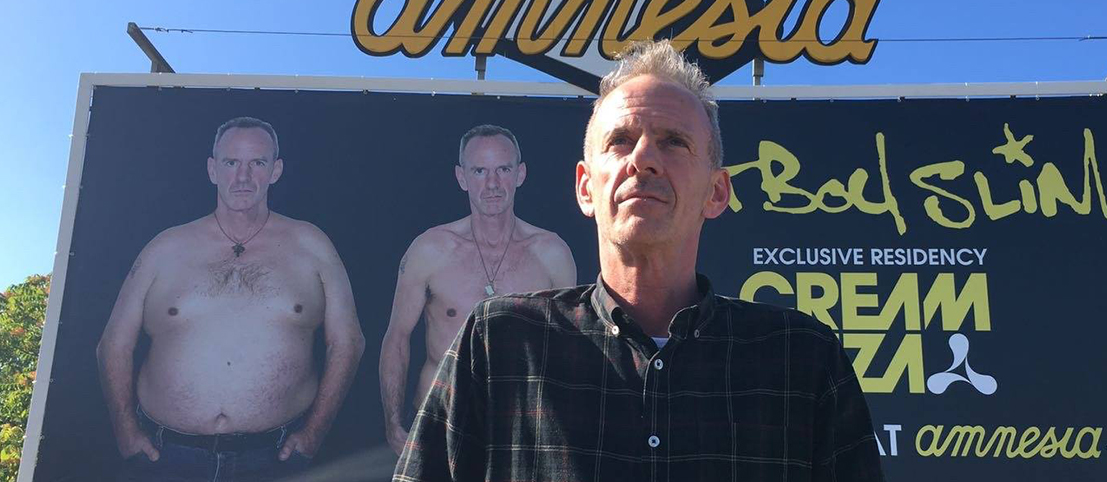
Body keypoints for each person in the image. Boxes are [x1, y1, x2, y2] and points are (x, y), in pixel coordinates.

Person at [394, 41, 884, 481]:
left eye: (674, 141)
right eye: (620, 141)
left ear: (717, 192)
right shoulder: (499, 343)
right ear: (586, 188)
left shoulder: (801, 360)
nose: (643, 158)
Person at [97, 116, 366, 481]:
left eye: (257, 163)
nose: (243, 177)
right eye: (231, 162)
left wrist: (314, 432)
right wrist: (125, 431)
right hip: (165, 457)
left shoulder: (312, 246)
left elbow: (348, 342)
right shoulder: (165, 248)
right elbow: (113, 344)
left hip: (275, 459)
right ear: (212, 169)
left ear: (275, 170)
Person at [379, 124, 577, 453]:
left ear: (520, 174)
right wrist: (393, 424)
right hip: (439, 422)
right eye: (480, 171)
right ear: (462, 177)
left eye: (503, 170)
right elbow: (397, 337)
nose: (493, 184)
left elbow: (567, 349)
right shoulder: (430, 250)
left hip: (519, 431)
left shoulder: (551, 254)